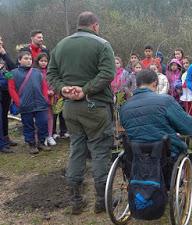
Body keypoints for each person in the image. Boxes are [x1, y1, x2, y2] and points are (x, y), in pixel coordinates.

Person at [47, 11, 115, 215]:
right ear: (95, 26)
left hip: (69, 108)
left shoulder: (60, 45)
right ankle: (102, 201)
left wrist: (63, 89)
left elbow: (51, 74)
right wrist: (85, 90)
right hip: (95, 106)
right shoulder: (102, 44)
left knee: (76, 149)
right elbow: (107, 74)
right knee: (100, 151)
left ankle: (76, 200)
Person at [120, 69, 192, 157]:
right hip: (165, 152)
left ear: (137, 84)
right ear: (155, 83)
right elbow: (188, 128)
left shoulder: (125, 107)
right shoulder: (166, 100)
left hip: (136, 154)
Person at [9, 51, 50, 154]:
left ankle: (41, 142)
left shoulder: (37, 72)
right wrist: (19, 102)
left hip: (40, 104)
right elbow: (11, 89)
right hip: (25, 104)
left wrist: (45, 99)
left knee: (43, 123)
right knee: (28, 125)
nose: (28, 61)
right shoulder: (11, 73)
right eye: (26, 58)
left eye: (30, 59)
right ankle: (31, 144)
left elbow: (44, 86)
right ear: (19, 60)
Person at [34, 52, 57, 146]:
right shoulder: (35, 72)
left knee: (50, 117)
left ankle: (50, 135)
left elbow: (54, 82)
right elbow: (35, 85)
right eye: (41, 61)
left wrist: (53, 91)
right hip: (39, 99)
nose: (43, 63)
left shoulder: (50, 72)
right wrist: (45, 92)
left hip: (50, 98)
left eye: (45, 61)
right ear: (38, 61)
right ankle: (41, 136)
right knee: (41, 119)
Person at [0, 35, 18, 148]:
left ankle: (6, 138)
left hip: (6, 91)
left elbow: (13, 68)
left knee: (4, 115)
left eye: (1, 40)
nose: (1, 42)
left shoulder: (3, 56)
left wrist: (5, 54)